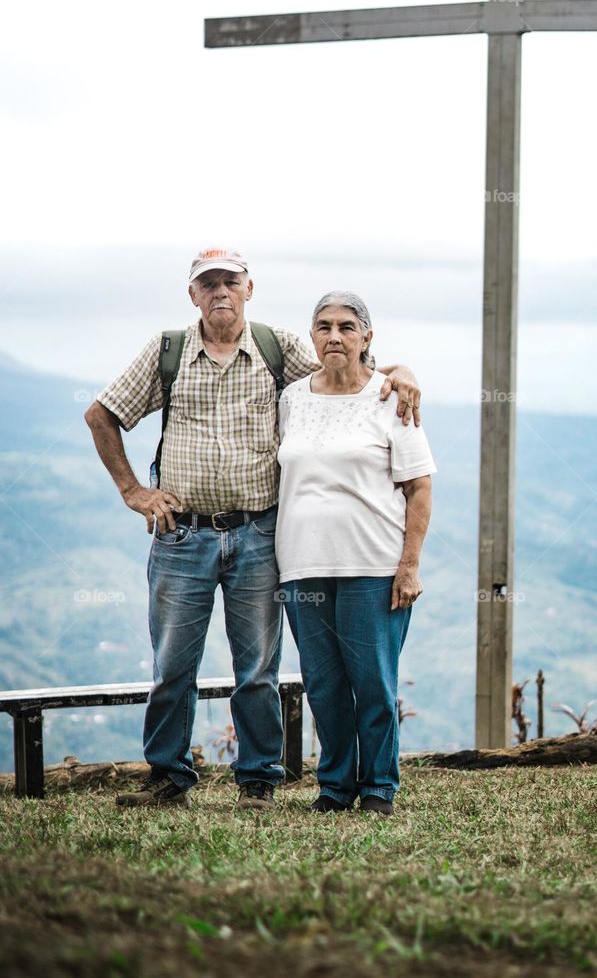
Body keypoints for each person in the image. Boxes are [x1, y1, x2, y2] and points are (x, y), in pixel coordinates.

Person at [84, 249, 420, 810]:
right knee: (172, 664)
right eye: (208, 283)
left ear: (249, 288)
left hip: (260, 534)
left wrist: (399, 372)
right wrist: (133, 492)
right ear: (193, 294)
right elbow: (101, 414)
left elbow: (344, 371)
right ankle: (169, 775)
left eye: (230, 282)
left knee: (258, 667)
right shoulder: (166, 351)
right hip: (181, 535)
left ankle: (258, 780)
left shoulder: (277, 347)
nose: (220, 291)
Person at [276, 291, 435, 818]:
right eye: (323, 326)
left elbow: (419, 488)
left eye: (347, 326)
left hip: (374, 566)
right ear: (312, 336)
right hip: (303, 565)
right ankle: (335, 786)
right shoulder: (293, 397)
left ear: (368, 337)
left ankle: (379, 789)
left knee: (373, 683)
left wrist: (409, 566)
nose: (335, 336)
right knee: (323, 684)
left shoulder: (392, 399)